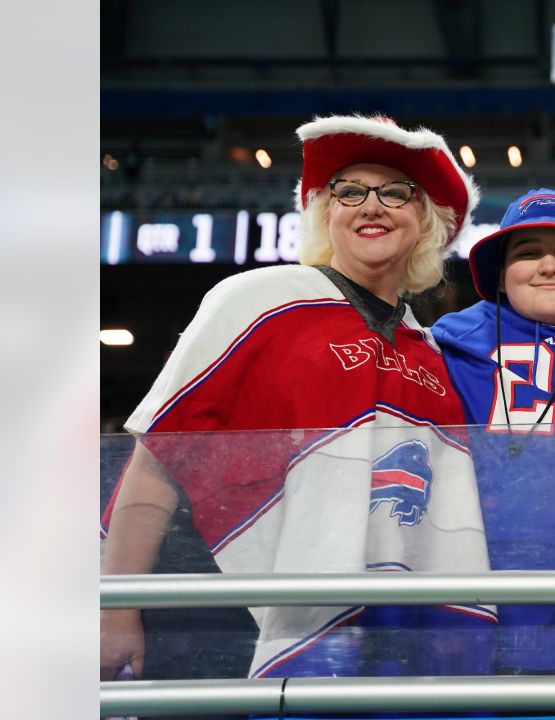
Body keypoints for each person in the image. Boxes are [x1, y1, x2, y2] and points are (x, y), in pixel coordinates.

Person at [100, 114, 495, 683]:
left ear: (425, 220)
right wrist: (116, 612)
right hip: (235, 616)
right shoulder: (258, 301)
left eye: (395, 192)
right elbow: (156, 463)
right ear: (324, 213)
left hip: (392, 635)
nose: (371, 206)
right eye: (349, 191)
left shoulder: (427, 350)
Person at [431, 188, 555, 675]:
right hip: (469, 582)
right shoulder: (444, 344)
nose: (549, 265)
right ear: (499, 272)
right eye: (529, 252)